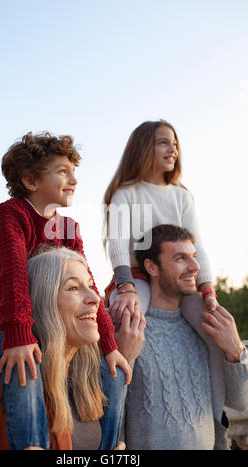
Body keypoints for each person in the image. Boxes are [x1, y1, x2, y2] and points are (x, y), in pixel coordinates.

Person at [0, 132, 131, 450]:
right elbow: (13, 277)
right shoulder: (10, 214)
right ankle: (32, 445)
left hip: (55, 322)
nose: (73, 179)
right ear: (30, 180)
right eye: (62, 171)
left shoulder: (69, 228)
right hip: (3, 321)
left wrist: (109, 343)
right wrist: (18, 336)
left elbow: (88, 285)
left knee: (112, 370)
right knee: (26, 365)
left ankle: (111, 448)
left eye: (73, 171)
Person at [0, 247, 141, 450]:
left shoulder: (98, 383)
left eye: (91, 286)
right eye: (73, 288)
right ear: (40, 302)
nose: (94, 299)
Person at [103, 119, 224, 421]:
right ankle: (113, 419)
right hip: (139, 277)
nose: (173, 149)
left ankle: (219, 417)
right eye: (163, 142)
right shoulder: (126, 193)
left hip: (182, 283)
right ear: (144, 148)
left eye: (175, 142)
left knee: (217, 332)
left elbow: (198, 246)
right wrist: (125, 286)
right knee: (127, 322)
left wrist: (207, 289)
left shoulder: (182, 196)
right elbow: (116, 244)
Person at [121, 224, 248, 450]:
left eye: (194, 257)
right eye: (181, 258)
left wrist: (235, 350)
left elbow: (240, 401)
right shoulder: (130, 331)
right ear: (151, 267)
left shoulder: (207, 329)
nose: (195, 267)